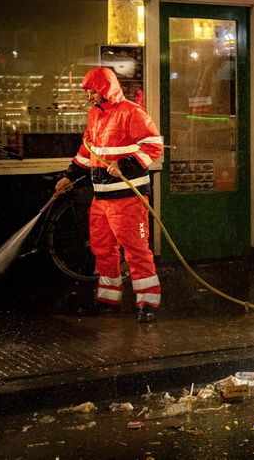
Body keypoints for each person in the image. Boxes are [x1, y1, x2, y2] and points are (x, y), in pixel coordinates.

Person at [54, 67, 164, 323]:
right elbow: (87, 150)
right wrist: (70, 176)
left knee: (136, 250)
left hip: (129, 198)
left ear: (105, 90)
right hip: (102, 199)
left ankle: (148, 303)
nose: (90, 96)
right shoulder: (95, 115)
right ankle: (107, 299)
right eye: (89, 92)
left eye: (93, 91)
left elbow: (153, 146)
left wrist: (125, 165)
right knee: (103, 249)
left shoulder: (132, 112)